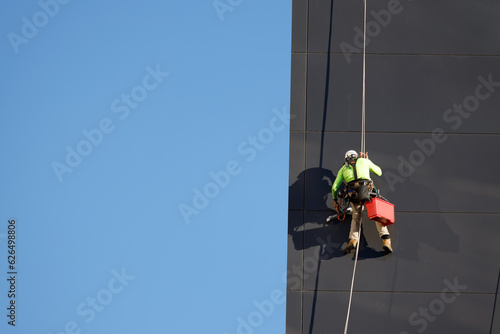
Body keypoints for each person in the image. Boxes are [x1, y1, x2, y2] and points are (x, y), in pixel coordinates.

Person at [331, 150, 393, 253]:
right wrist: (367, 161)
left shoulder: (343, 169)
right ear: (356, 157)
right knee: (376, 214)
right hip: (368, 191)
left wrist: (335, 201)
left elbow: (334, 188)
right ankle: (386, 240)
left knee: (356, 216)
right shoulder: (364, 161)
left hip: (353, 194)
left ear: (346, 159)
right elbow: (379, 172)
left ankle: (353, 240)